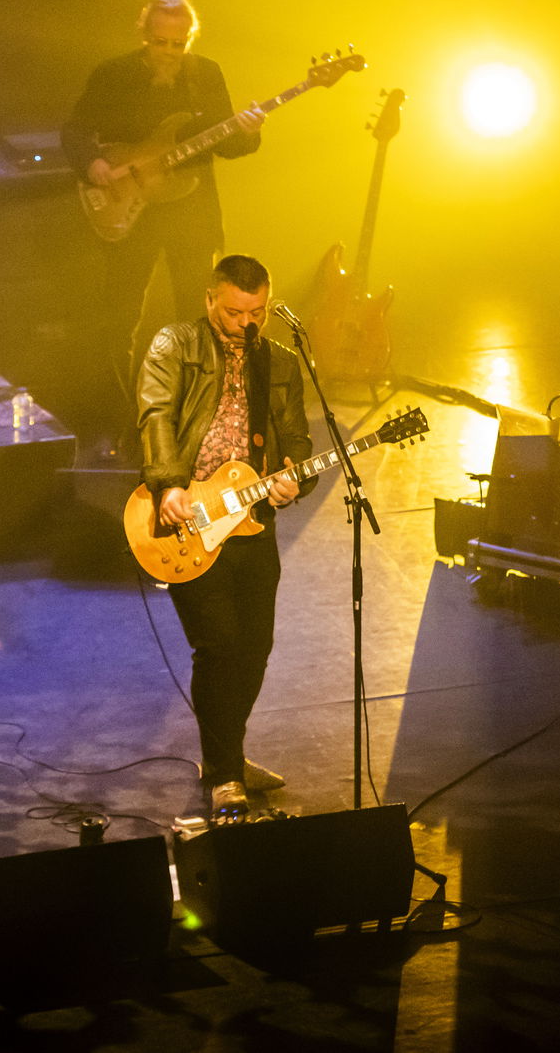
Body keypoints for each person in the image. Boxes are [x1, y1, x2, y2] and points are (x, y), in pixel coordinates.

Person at [138, 255, 312, 816]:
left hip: (252, 519)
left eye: (257, 311)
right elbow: (156, 414)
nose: (246, 323)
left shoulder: (278, 361)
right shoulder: (176, 344)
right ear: (211, 298)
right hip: (188, 517)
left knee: (255, 648)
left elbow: (297, 438)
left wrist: (292, 479)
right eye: (235, 311)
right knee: (218, 648)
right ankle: (225, 774)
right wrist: (168, 484)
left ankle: (227, 756)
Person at [63, 0, 265, 458]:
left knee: (199, 322)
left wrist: (249, 132)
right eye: (160, 43)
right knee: (120, 320)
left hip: (191, 213)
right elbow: (74, 129)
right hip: (129, 209)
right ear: (144, 35)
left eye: (178, 44)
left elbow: (229, 144)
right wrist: (92, 164)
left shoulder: (206, 73)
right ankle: (123, 422)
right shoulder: (114, 74)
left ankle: (192, 423)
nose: (170, 53)